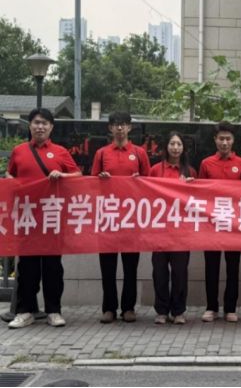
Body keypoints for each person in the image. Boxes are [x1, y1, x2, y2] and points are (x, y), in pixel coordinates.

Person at [7, 108, 82, 329]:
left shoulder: (60, 152)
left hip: (52, 217)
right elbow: (10, 174)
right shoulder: (19, 151)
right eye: (36, 122)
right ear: (30, 125)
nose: (40, 127)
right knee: (27, 268)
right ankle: (25, 311)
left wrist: (62, 175)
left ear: (51, 127)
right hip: (28, 217)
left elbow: (78, 176)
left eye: (45, 123)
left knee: (52, 267)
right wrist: (10, 180)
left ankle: (53, 311)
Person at [91, 111, 151, 323]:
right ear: (110, 128)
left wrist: (138, 180)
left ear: (129, 128)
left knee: (130, 267)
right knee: (107, 266)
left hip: (131, 218)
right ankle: (109, 308)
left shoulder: (139, 153)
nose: (119, 128)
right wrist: (101, 178)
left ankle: (128, 308)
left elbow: (149, 183)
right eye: (115, 124)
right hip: (108, 217)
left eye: (123, 124)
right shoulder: (102, 153)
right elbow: (91, 183)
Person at [198, 121, 241, 323]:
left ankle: (230, 308)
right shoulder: (206, 163)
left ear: (233, 140)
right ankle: (211, 307)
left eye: (228, 139)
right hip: (212, 224)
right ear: (215, 140)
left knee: (233, 268)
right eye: (221, 139)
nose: (224, 143)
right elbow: (200, 193)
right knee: (211, 267)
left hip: (234, 224)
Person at [149, 132, 196, 325]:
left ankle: (178, 311)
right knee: (159, 272)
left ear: (183, 148)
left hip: (181, 231)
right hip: (160, 229)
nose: (175, 147)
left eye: (179, 144)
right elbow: (146, 195)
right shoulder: (155, 170)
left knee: (179, 272)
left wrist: (189, 187)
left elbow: (197, 200)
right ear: (166, 147)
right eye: (172, 144)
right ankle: (161, 310)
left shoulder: (190, 172)